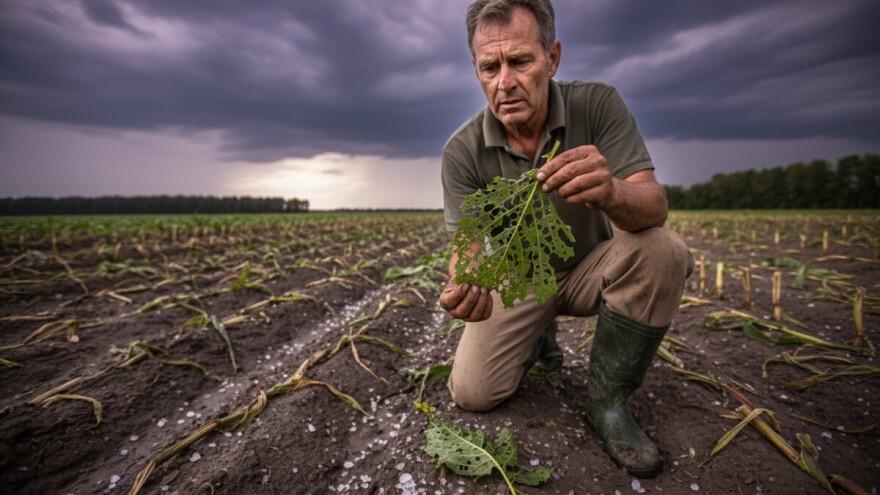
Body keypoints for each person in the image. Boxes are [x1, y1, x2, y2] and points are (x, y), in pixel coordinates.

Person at [439, 0, 694, 479]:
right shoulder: (461, 151)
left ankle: (609, 402)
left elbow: (653, 204)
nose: (505, 82)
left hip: (592, 267)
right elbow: (467, 244)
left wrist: (613, 191)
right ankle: (537, 337)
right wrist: (464, 281)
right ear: (475, 69)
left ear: (552, 58)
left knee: (663, 249)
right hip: (522, 281)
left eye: (520, 61)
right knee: (472, 395)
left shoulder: (597, 105)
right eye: (489, 67)